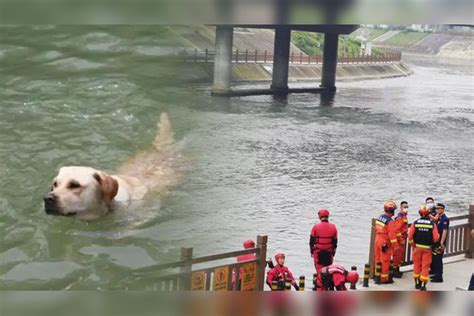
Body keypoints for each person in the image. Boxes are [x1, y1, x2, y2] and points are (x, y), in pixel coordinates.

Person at [408, 204, 440, 291]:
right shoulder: (432, 224)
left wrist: (413, 245)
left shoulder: (415, 223)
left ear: (420, 213)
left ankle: (417, 283)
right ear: (429, 214)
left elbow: (410, 236)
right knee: (425, 266)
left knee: (417, 265)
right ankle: (423, 285)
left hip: (417, 248)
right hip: (427, 249)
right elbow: (436, 238)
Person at [374, 201, 399, 284]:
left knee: (378, 259)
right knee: (385, 260)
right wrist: (395, 245)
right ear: (391, 211)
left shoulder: (380, 217)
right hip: (385, 242)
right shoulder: (390, 221)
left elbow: (376, 228)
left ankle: (377, 276)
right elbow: (392, 235)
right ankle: (384, 279)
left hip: (378, 239)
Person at [309, 208, 338, 275]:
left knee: (319, 272)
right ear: (328, 216)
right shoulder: (333, 227)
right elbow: (335, 242)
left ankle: (320, 283)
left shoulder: (315, 227)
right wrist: (333, 253)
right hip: (329, 253)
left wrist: (311, 252)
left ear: (319, 217)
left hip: (318, 253)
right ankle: (327, 284)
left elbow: (311, 241)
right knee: (328, 271)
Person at [430, 203, 449, 283]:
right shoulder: (439, 218)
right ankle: (435, 274)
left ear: (442, 209)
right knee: (435, 258)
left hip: (440, 243)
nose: (437, 210)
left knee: (438, 259)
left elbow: (445, 231)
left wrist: (442, 242)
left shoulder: (445, 219)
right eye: (436, 209)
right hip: (436, 241)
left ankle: (439, 277)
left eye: (438, 209)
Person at [392, 201, 409, 278]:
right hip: (399, 240)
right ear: (401, 207)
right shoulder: (400, 217)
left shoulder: (404, 216)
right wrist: (401, 239)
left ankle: (397, 270)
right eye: (404, 207)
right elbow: (396, 230)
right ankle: (395, 271)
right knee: (397, 255)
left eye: (407, 207)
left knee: (400, 255)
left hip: (402, 238)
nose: (406, 208)